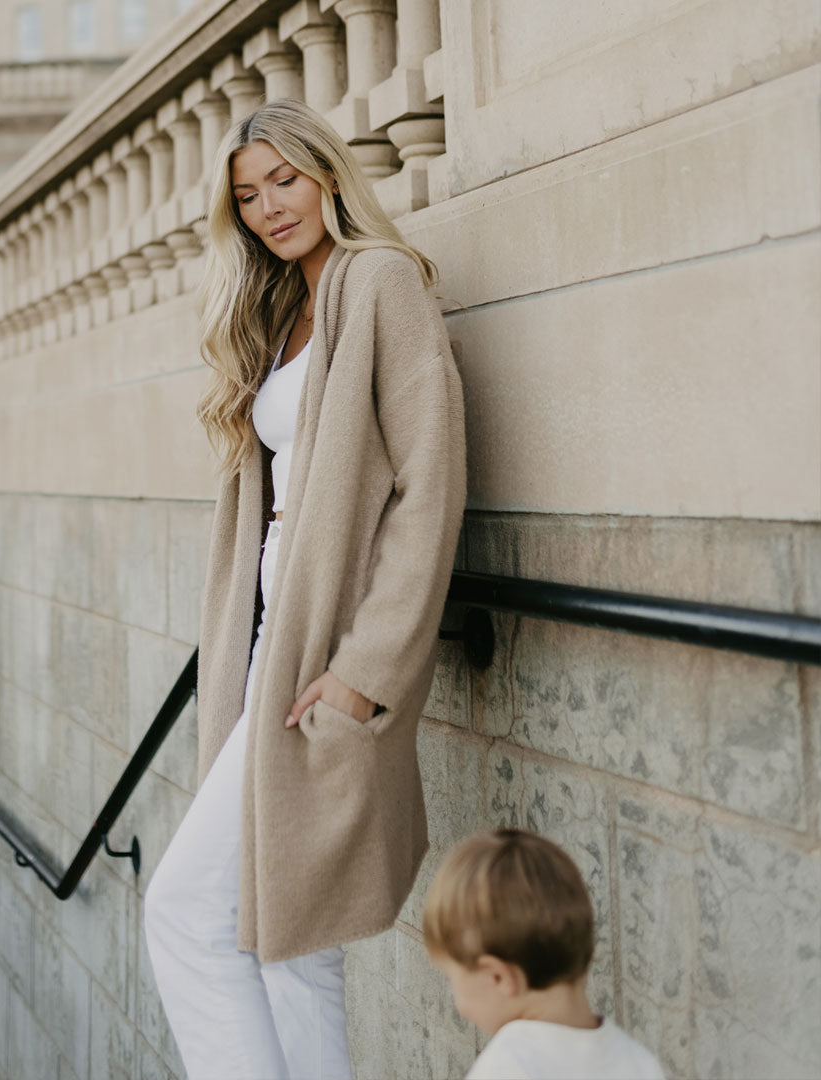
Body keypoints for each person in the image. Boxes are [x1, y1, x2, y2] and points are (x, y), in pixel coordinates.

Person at [143, 97, 466, 1080]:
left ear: (327, 174)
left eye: (285, 179)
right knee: (289, 943)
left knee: (188, 914)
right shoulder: (281, 311)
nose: (269, 207)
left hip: (323, 658)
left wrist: (366, 669)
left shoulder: (380, 284)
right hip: (264, 648)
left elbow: (429, 486)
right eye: (248, 195)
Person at [423, 829, 666, 1080]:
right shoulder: (639, 1062)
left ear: (497, 977)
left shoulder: (505, 1069)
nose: (458, 1006)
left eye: (450, 977)